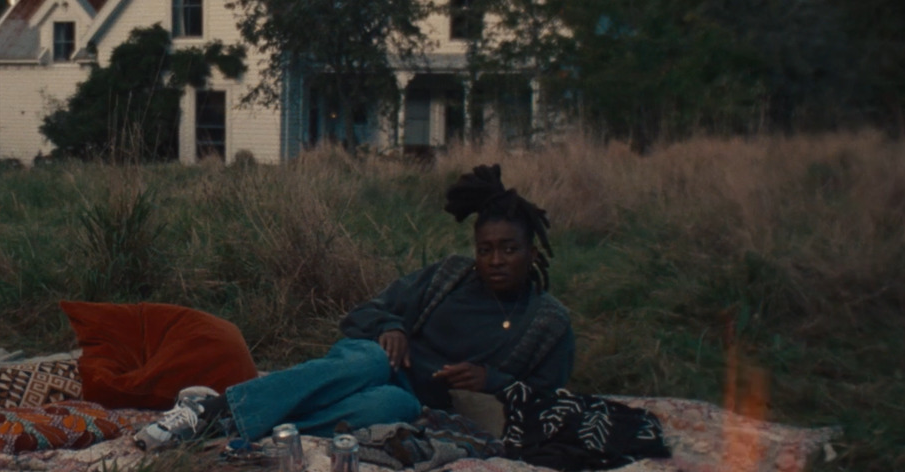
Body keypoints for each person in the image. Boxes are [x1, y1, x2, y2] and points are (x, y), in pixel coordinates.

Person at [136, 163, 576, 450]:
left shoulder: (548, 323)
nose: (495, 261)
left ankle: (237, 422)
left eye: (509, 249)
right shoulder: (451, 276)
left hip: (413, 399)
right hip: (375, 365)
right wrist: (392, 326)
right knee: (368, 356)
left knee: (392, 409)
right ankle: (214, 412)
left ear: (533, 253)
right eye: (486, 249)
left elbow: (548, 401)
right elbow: (363, 313)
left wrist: (490, 378)